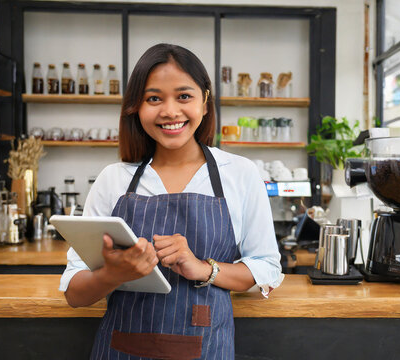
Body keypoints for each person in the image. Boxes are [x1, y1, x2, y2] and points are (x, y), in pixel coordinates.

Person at [59, 43, 283, 359]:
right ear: (136, 106)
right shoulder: (114, 180)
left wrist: (204, 269)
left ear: (205, 102)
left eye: (183, 96)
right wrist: (114, 274)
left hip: (206, 349)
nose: (169, 111)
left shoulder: (241, 174)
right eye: (154, 98)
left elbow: (267, 269)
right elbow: (74, 293)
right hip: (121, 350)